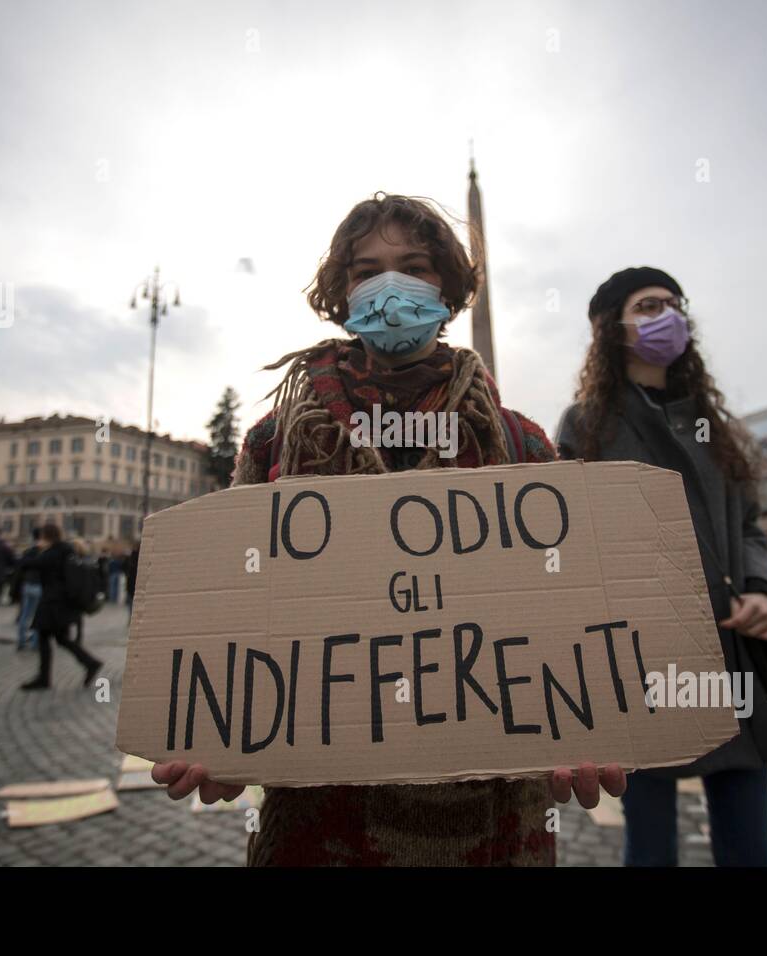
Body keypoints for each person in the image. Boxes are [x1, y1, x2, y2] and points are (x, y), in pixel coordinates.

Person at [152, 193, 624, 866]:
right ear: (342, 294)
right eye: (366, 270)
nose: (389, 285)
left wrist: (586, 719)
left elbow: (571, 613)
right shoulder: (275, 441)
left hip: (493, 826)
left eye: (413, 266)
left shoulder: (521, 445)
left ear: (448, 287)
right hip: (319, 826)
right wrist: (225, 736)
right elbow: (238, 608)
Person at [556, 266, 767, 867]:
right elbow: (572, 540)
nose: (665, 315)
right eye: (646, 306)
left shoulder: (718, 425)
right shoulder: (586, 424)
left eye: (672, 304)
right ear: (609, 329)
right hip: (641, 656)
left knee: (749, 844)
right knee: (649, 842)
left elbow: (746, 528)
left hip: (730, 647)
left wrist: (764, 590)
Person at [17, 524, 102, 691]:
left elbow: (27, 563)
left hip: (53, 603)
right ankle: (89, 663)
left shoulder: (53, 552)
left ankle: (45, 677)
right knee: (60, 639)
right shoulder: (66, 551)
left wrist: (35, 548)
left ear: (46, 536)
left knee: (46, 637)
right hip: (62, 603)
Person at [15, 528, 43, 650]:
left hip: (28, 584)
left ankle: (21, 641)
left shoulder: (27, 551)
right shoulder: (44, 551)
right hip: (40, 585)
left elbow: (20, 567)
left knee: (25, 615)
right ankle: (35, 643)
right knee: (38, 616)